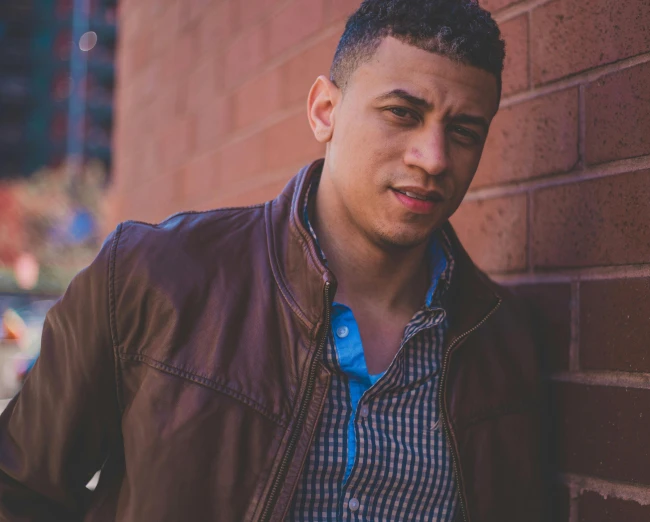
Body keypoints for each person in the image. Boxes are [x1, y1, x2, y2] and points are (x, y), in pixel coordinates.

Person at [0, 0, 549, 520]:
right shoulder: (153, 276)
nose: (432, 158)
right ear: (324, 111)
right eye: (402, 113)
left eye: (463, 132)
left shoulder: (503, 343)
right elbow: (19, 490)